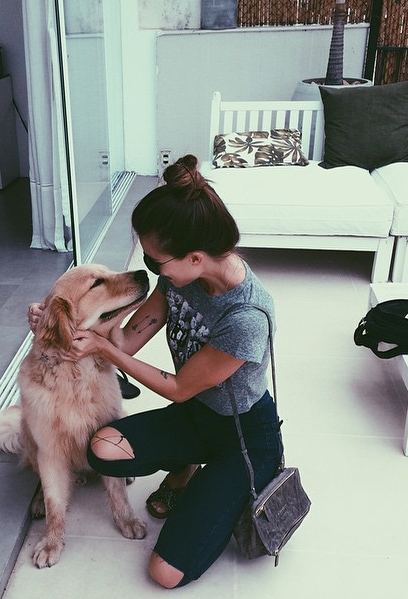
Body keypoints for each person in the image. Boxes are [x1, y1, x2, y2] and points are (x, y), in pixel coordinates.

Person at [28, 154, 283, 588]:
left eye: (154, 262)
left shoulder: (246, 318)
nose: (149, 270)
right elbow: (127, 340)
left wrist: (103, 351)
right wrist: (58, 323)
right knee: (102, 449)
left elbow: (179, 387)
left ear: (196, 257)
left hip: (241, 436)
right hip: (196, 417)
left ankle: (226, 480)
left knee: (164, 574)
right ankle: (186, 465)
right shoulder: (178, 278)